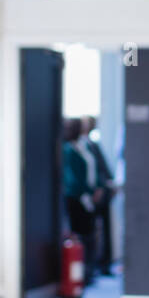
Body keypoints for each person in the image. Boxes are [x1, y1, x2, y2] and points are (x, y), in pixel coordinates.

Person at [80, 115, 117, 276]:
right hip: (90, 196)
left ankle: (104, 263)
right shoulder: (79, 147)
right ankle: (91, 267)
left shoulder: (94, 145)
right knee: (90, 232)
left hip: (104, 192)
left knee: (105, 230)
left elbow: (103, 167)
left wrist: (110, 184)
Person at [62, 117, 96, 282]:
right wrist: (88, 191)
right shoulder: (68, 149)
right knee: (80, 235)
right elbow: (72, 178)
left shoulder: (82, 147)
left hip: (86, 198)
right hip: (76, 198)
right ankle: (80, 275)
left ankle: (88, 272)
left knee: (89, 235)